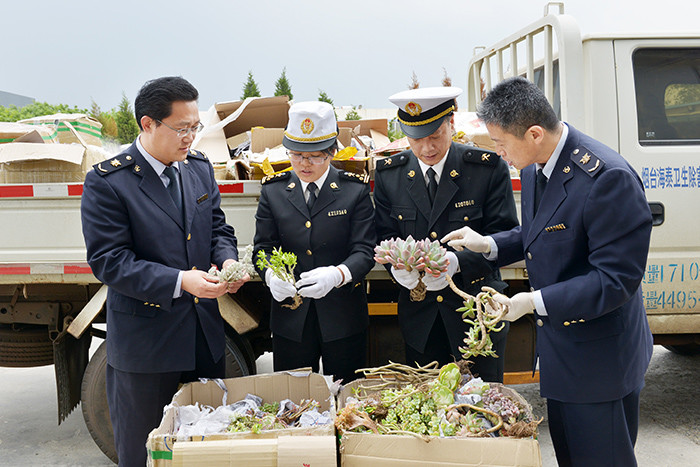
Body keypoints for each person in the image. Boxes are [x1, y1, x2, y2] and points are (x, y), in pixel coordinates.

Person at [442, 76, 653, 467]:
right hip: (561, 356)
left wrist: (530, 302)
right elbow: (538, 232)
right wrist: (488, 245)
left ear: (534, 133)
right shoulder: (541, 165)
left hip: (599, 363)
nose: (500, 154)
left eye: (501, 143)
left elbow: (615, 280)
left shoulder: (607, 179)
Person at [81, 76, 248, 467]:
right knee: (144, 452)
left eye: (195, 127)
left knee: (207, 447)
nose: (190, 137)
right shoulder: (109, 182)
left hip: (203, 336)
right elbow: (110, 261)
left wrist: (227, 261)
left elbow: (218, 228)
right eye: (181, 128)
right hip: (146, 344)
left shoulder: (199, 169)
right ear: (148, 124)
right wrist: (179, 281)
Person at [373, 86, 518, 382]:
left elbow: (505, 238)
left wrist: (458, 263)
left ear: (451, 124)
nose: (426, 148)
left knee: (483, 409)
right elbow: (383, 236)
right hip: (421, 317)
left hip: (476, 309)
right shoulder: (391, 175)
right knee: (431, 411)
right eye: (416, 139)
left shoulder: (485, 170)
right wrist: (396, 270)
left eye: (435, 135)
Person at [253, 101, 375, 384]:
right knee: (294, 401)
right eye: (296, 155)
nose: (304, 164)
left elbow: (365, 250)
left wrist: (337, 274)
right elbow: (263, 249)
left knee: (347, 399)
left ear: (332, 151)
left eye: (314, 156)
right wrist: (272, 275)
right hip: (291, 319)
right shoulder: (274, 192)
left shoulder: (352, 191)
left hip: (343, 317)